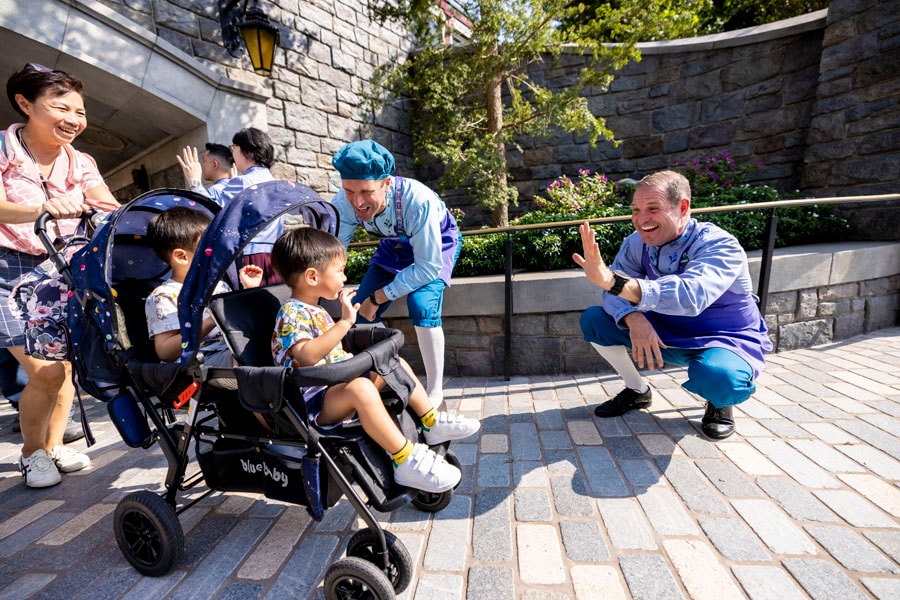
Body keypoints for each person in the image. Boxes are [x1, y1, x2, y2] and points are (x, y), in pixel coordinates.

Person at [270, 226, 479, 493]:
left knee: (393, 363)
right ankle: (404, 459)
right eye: (339, 271)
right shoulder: (292, 312)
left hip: (335, 386)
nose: (344, 277)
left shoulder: (316, 309)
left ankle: (430, 421)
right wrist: (345, 323)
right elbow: (307, 356)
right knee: (362, 388)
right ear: (312, 276)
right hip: (314, 401)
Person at [573, 170, 772, 440]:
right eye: (636, 210)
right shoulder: (635, 244)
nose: (642, 220)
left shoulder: (720, 244)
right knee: (594, 320)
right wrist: (634, 318)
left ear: (683, 207)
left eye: (653, 209)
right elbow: (612, 294)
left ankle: (719, 402)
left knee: (718, 377)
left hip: (724, 339)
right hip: (662, 333)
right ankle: (637, 391)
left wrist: (613, 282)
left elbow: (690, 296)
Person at [1, 63, 120, 488]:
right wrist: (42, 208)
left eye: (80, 111)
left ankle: (51, 447)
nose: (73, 119)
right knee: (45, 371)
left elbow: (106, 203)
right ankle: (31, 454)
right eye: (61, 107)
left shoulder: (81, 160)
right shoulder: (1, 149)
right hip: (6, 270)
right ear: (25, 104)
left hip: (61, 267)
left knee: (65, 369)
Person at [331, 140, 461, 408]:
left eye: (366, 191)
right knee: (358, 309)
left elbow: (427, 266)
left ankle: (435, 390)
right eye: (348, 191)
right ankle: (382, 376)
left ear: (386, 183)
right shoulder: (344, 204)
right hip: (393, 247)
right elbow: (336, 254)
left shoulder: (418, 201)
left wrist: (379, 296)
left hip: (436, 245)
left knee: (421, 304)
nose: (357, 202)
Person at [145, 206, 262, 365]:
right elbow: (165, 352)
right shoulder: (163, 296)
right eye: (210, 251)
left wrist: (248, 292)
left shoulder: (219, 286)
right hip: (195, 363)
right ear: (182, 257)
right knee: (249, 356)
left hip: (228, 349)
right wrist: (213, 318)